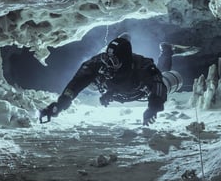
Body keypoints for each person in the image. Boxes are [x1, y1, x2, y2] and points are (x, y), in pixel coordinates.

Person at [39, 36, 183, 126]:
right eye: (107, 58)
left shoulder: (142, 65)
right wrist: (59, 104)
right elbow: (76, 83)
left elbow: (157, 84)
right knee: (88, 77)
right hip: (114, 88)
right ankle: (123, 39)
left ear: (125, 60)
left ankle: (167, 51)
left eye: (113, 60)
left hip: (138, 92)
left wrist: (153, 107)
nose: (107, 63)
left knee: (169, 78)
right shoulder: (99, 62)